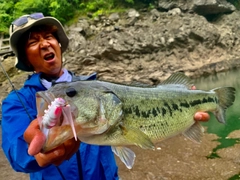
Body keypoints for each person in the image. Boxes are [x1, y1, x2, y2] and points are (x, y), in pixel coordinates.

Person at [1, 13, 209, 180]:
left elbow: (144, 111)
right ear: (25, 58)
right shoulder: (16, 102)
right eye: (33, 42)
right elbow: (17, 154)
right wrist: (34, 151)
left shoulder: (97, 87)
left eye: (48, 37)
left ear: (58, 44)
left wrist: (181, 117)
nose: (45, 43)